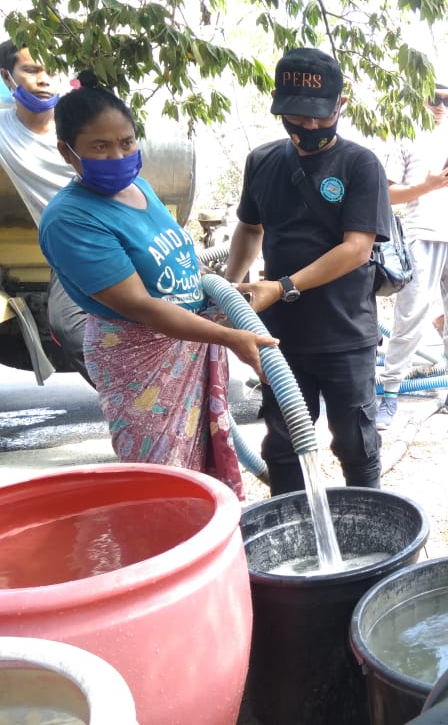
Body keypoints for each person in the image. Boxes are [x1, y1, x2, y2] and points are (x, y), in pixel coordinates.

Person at [37, 72, 276, 498]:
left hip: (189, 338)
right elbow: (140, 305)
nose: (118, 156)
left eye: (126, 142)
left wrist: (226, 294)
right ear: (68, 152)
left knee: (203, 471)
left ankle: (213, 552)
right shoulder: (71, 218)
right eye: (99, 147)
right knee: (164, 482)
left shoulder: (140, 188)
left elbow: (176, 269)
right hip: (139, 359)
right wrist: (228, 334)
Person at [225, 48, 392, 497]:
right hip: (281, 336)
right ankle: (291, 533)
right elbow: (249, 227)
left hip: (345, 331)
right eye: (296, 117)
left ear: (341, 105)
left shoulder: (360, 165)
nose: (309, 128)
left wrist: (281, 287)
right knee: (284, 442)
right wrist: (228, 286)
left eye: (320, 116)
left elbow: (357, 249)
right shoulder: (262, 161)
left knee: (355, 440)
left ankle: (372, 518)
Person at [376, 82, 448, 430]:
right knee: (409, 317)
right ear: (420, 98)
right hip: (422, 235)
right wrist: (427, 186)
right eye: (434, 99)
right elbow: (388, 193)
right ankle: (390, 395)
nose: (441, 106)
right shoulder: (405, 136)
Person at [0, 40, 90, 381]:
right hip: (69, 247)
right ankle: (134, 401)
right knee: (68, 328)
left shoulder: (82, 121)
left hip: (116, 231)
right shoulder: (4, 127)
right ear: (7, 78)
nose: (44, 79)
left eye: (51, 70)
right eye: (32, 70)